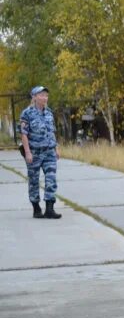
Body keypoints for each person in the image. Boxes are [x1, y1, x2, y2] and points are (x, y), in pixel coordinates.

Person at [20, 85, 61, 219]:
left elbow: (52, 132)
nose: (45, 97)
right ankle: (36, 208)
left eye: (46, 95)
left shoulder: (49, 112)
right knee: (34, 181)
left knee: (51, 178)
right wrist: (27, 152)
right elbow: (24, 134)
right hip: (34, 152)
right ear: (34, 97)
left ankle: (50, 208)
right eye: (42, 95)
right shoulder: (27, 113)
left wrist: (56, 148)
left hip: (49, 151)